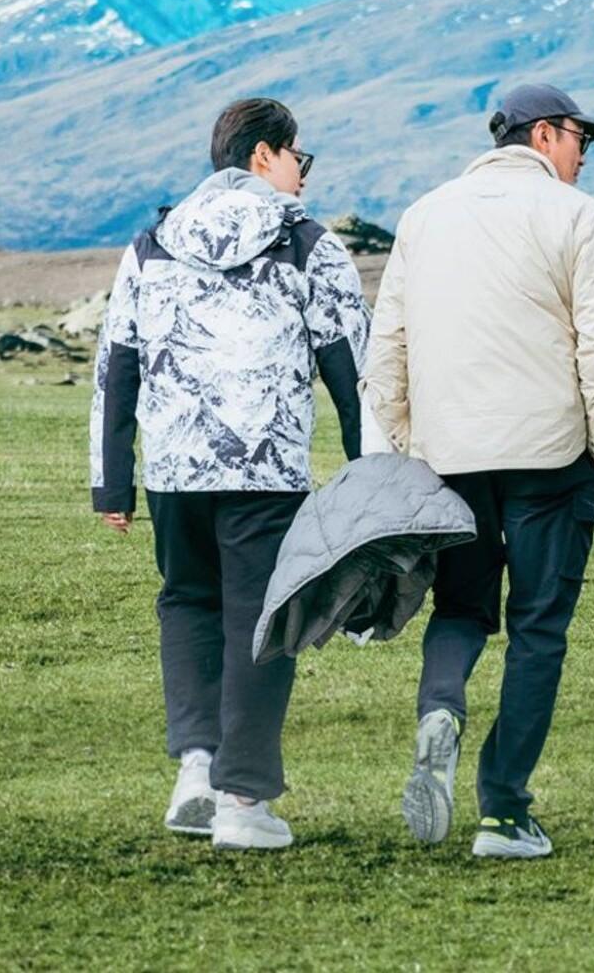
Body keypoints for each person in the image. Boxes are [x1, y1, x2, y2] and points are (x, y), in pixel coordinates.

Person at [90, 97, 370, 851]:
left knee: (187, 604)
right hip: (265, 468)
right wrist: (371, 473)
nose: (304, 175)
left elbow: (117, 366)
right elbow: (353, 370)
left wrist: (112, 482)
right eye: (298, 158)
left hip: (174, 470)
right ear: (263, 156)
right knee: (262, 622)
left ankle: (196, 769)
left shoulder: (151, 244)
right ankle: (243, 800)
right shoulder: (306, 243)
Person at [362, 83, 594, 860]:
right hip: (551, 454)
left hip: (450, 454)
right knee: (538, 628)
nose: (585, 153)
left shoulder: (425, 214)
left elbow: (389, 341)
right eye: (580, 137)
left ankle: (441, 709)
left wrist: (409, 438)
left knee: (460, 607)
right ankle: (505, 812)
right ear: (544, 135)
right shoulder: (578, 216)